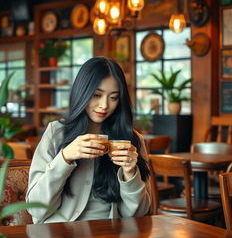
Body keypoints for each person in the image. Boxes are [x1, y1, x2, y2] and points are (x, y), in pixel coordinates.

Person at [26, 57, 151, 223]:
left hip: (111, 235)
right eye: (97, 95)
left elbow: (139, 215)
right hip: (61, 234)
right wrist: (65, 158)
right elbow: (36, 209)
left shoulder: (131, 140)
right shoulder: (57, 133)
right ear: (82, 91)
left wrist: (130, 173)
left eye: (113, 97)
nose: (104, 105)